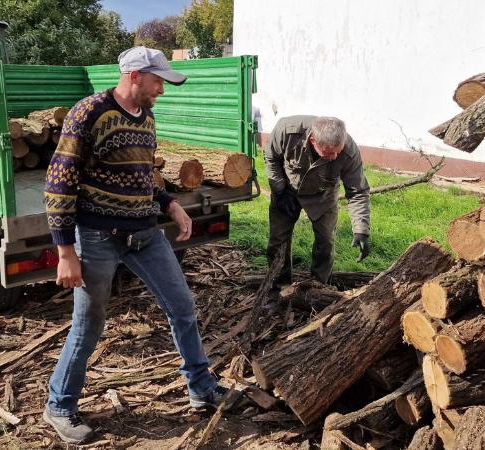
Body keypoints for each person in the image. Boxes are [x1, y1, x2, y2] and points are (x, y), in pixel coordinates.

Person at [42, 46, 230, 444]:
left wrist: (171, 204)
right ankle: (59, 405)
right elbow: (59, 182)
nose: (162, 88)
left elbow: (143, 177)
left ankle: (201, 387)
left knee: (182, 306)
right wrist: (65, 251)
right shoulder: (89, 112)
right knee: (88, 325)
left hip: (145, 234)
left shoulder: (146, 118)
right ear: (134, 75)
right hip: (97, 238)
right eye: (158, 80)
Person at [264, 115, 371, 289]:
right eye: (329, 153)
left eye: (338, 151)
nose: (335, 156)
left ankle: (318, 288)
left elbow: (358, 191)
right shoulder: (287, 130)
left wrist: (361, 230)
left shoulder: (349, 151)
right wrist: (279, 189)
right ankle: (278, 286)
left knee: (325, 242)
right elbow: (271, 158)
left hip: (323, 195)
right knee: (278, 241)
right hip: (287, 190)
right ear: (313, 140)